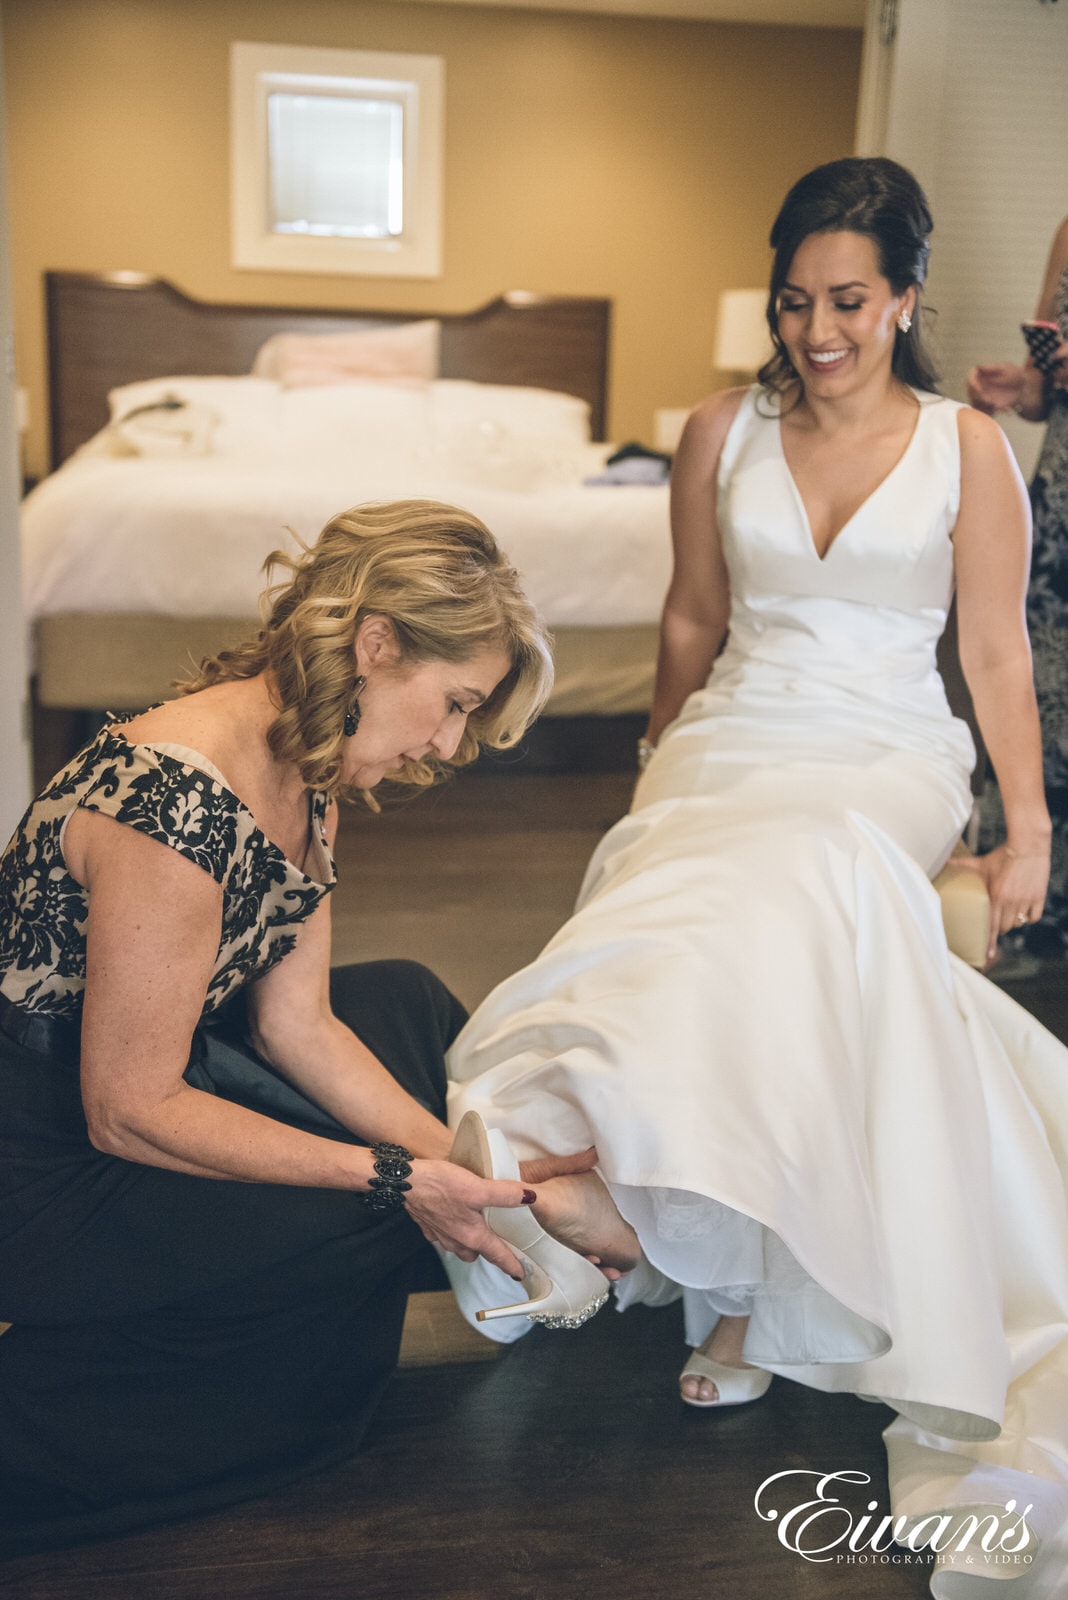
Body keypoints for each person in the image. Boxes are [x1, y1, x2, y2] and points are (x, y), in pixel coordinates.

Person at [444, 161, 1068, 1591]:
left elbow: (990, 657)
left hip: (887, 755)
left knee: (808, 875)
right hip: (734, 732)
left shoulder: (971, 448)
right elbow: (688, 619)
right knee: (694, 885)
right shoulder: (717, 430)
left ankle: (690, 1257)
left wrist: (1024, 828)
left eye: (848, 302)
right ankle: (670, 1231)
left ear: (906, 297)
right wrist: (658, 769)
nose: (818, 330)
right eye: (796, 302)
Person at [0, 498, 575, 1553]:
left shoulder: (308, 777)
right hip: (42, 1164)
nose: (447, 744)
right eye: (450, 704)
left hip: (169, 1065)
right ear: (375, 644)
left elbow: (297, 1027)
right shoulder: (173, 807)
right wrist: (398, 1179)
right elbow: (126, 1109)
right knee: (365, 1210)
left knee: (398, 999)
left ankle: (480, 1234)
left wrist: (484, 1176)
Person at [967, 217, 1068, 972]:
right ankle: (1034, 910)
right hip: (1061, 505)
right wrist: (1027, 387)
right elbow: (1052, 386)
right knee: (1044, 699)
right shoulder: (1066, 231)